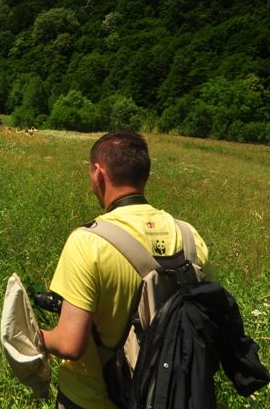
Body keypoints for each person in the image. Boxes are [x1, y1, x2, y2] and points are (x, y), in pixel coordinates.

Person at [40, 131, 210, 409]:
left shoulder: (87, 241)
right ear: (145, 176)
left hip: (92, 399)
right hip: (170, 396)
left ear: (98, 173)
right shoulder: (189, 237)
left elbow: (70, 344)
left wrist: (29, 331)